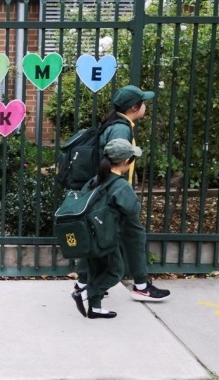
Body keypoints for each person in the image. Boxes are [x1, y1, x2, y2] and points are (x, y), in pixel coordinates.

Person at [73, 85, 171, 302]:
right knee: (134, 236)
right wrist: (120, 190)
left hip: (109, 191)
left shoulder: (116, 124)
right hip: (115, 194)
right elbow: (114, 160)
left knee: (100, 237)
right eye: (143, 103)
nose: (145, 106)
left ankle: (83, 284)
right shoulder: (120, 129)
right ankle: (141, 286)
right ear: (134, 107)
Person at [71, 138, 144, 319]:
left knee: (96, 270)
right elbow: (132, 208)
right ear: (126, 161)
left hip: (90, 236)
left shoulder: (95, 180)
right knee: (115, 271)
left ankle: (95, 308)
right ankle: (85, 293)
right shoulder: (120, 185)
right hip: (106, 238)